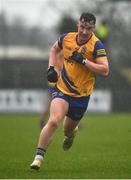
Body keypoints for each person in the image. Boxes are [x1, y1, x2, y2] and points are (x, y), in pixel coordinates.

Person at [30, 12, 109, 170]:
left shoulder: (97, 45)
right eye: (82, 27)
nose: (84, 31)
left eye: (88, 28)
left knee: (68, 130)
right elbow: (53, 50)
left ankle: (72, 133)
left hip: (81, 96)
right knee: (53, 120)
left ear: (93, 28)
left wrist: (85, 61)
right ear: (77, 24)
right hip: (62, 89)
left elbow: (105, 70)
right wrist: (50, 68)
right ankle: (38, 158)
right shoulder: (66, 38)